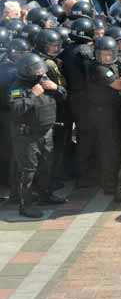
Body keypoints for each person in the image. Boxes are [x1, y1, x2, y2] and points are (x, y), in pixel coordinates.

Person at [8, 53, 67, 217]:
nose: (40, 72)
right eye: (37, 70)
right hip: (27, 135)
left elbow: (63, 95)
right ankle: (25, 205)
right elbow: (17, 109)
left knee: (46, 165)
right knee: (28, 171)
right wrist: (33, 94)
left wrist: (55, 87)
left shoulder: (43, 80)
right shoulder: (17, 87)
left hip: (46, 131)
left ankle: (45, 195)